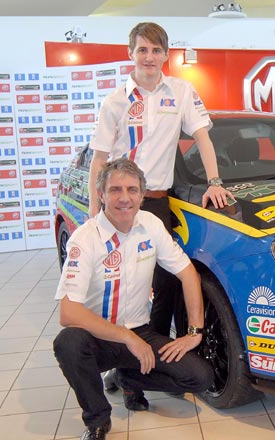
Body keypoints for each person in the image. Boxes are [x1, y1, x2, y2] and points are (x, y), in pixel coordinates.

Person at [54, 159, 214, 440]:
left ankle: (126, 377)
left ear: (142, 195)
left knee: (200, 377)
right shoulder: (84, 239)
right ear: (101, 194)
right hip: (98, 338)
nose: (124, 198)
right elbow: (68, 313)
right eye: (115, 190)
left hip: (140, 332)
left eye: (131, 190)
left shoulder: (151, 225)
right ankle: (98, 421)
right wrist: (127, 338)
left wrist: (194, 332)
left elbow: (187, 273)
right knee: (68, 344)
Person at [88, 21, 233, 339]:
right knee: (121, 284)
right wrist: (93, 216)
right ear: (131, 53)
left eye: (155, 50)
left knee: (164, 283)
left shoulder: (181, 92)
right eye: (142, 50)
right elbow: (99, 159)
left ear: (166, 54)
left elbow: (202, 138)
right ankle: (118, 363)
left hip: (155, 201)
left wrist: (215, 181)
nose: (149, 57)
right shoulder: (114, 101)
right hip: (118, 204)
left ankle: (149, 355)